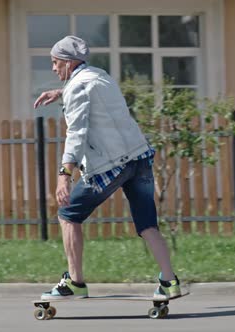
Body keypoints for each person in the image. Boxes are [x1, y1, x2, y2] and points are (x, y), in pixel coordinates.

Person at [34, 36, 181, 301]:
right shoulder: (99, 75)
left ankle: (75, 283)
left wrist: (64, 175)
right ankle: (170, 282)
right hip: (139, 156)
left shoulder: (77, 87)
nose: (54, 68)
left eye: (56, 63)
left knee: (68, 215)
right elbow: (96, 100)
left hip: (112, 164)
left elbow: (76, 133)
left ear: (68, 62)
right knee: (148, 224)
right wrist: (61, 94)